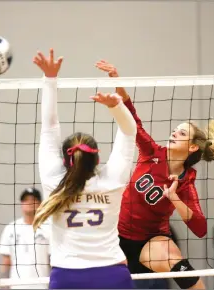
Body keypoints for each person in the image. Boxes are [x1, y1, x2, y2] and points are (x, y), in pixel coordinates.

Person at [96, 60, 214, 289]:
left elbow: (200, 228)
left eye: (182, 132)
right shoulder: (151, 153)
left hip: (150, 243)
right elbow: (132, 119)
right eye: (176, 129)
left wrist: (174, 198)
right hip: (115, 235)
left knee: (191, 280)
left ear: (193, 147)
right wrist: (117, 80)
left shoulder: (186, 184)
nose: (175, 132)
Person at [32, 48, 137, 289]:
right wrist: (116, 107)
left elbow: (49, 127)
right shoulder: (112, 181)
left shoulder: (53, 182)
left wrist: (50, 79)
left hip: (68, 278)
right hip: (112, 276)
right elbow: (129, 131)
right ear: (97, 159)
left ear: (65, 160)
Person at [0, 188, 51, 289]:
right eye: (26, 200)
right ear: (21, 204)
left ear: (40, 204)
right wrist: (4, 286)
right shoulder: (11, 228)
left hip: (42, 286)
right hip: (17, 286)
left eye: (33, 199)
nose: (30, 202)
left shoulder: (48, 228)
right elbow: (6, 261)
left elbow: (52, 261)